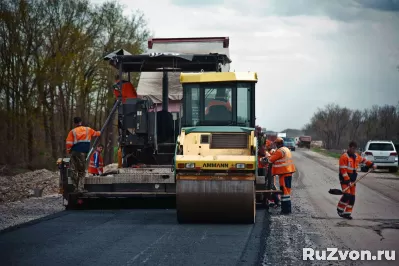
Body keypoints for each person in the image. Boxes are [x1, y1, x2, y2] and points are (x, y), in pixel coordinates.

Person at [337, 141, 377, 219]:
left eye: (355, 149)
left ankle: (347, 213)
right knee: (347, 195)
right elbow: (343, 171)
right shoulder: (344, 157)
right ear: (349, 147)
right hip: (345, 180)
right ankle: (340, 209)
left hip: (353, 180)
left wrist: (372, 165)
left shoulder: (356, 156)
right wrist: (348, 181)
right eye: (352, 148)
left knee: (352, 197)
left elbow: (365, 161)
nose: (354, 150)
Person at [65, 117, 101, 192]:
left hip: (74, 152)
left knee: (74, 170)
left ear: (74, 123)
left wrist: (69, 152)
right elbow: (96, 133)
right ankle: (80, 188)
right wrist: (99, 133)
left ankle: (75, 188)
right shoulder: (88, 129)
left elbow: (68, 143)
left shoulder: (72, 132)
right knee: (81, 171)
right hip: (82, 153)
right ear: (81, 122)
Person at [268, 137, 296, 214]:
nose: (276, 145)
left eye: (276, 144)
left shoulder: (280, 151)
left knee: (284, 192)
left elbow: (270, 160)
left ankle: (285, 210)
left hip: (284, 173)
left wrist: (265, 158)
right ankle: (287, 210)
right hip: (288, 172)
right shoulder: (286, 149)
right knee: (287, 191)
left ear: (278, 144)